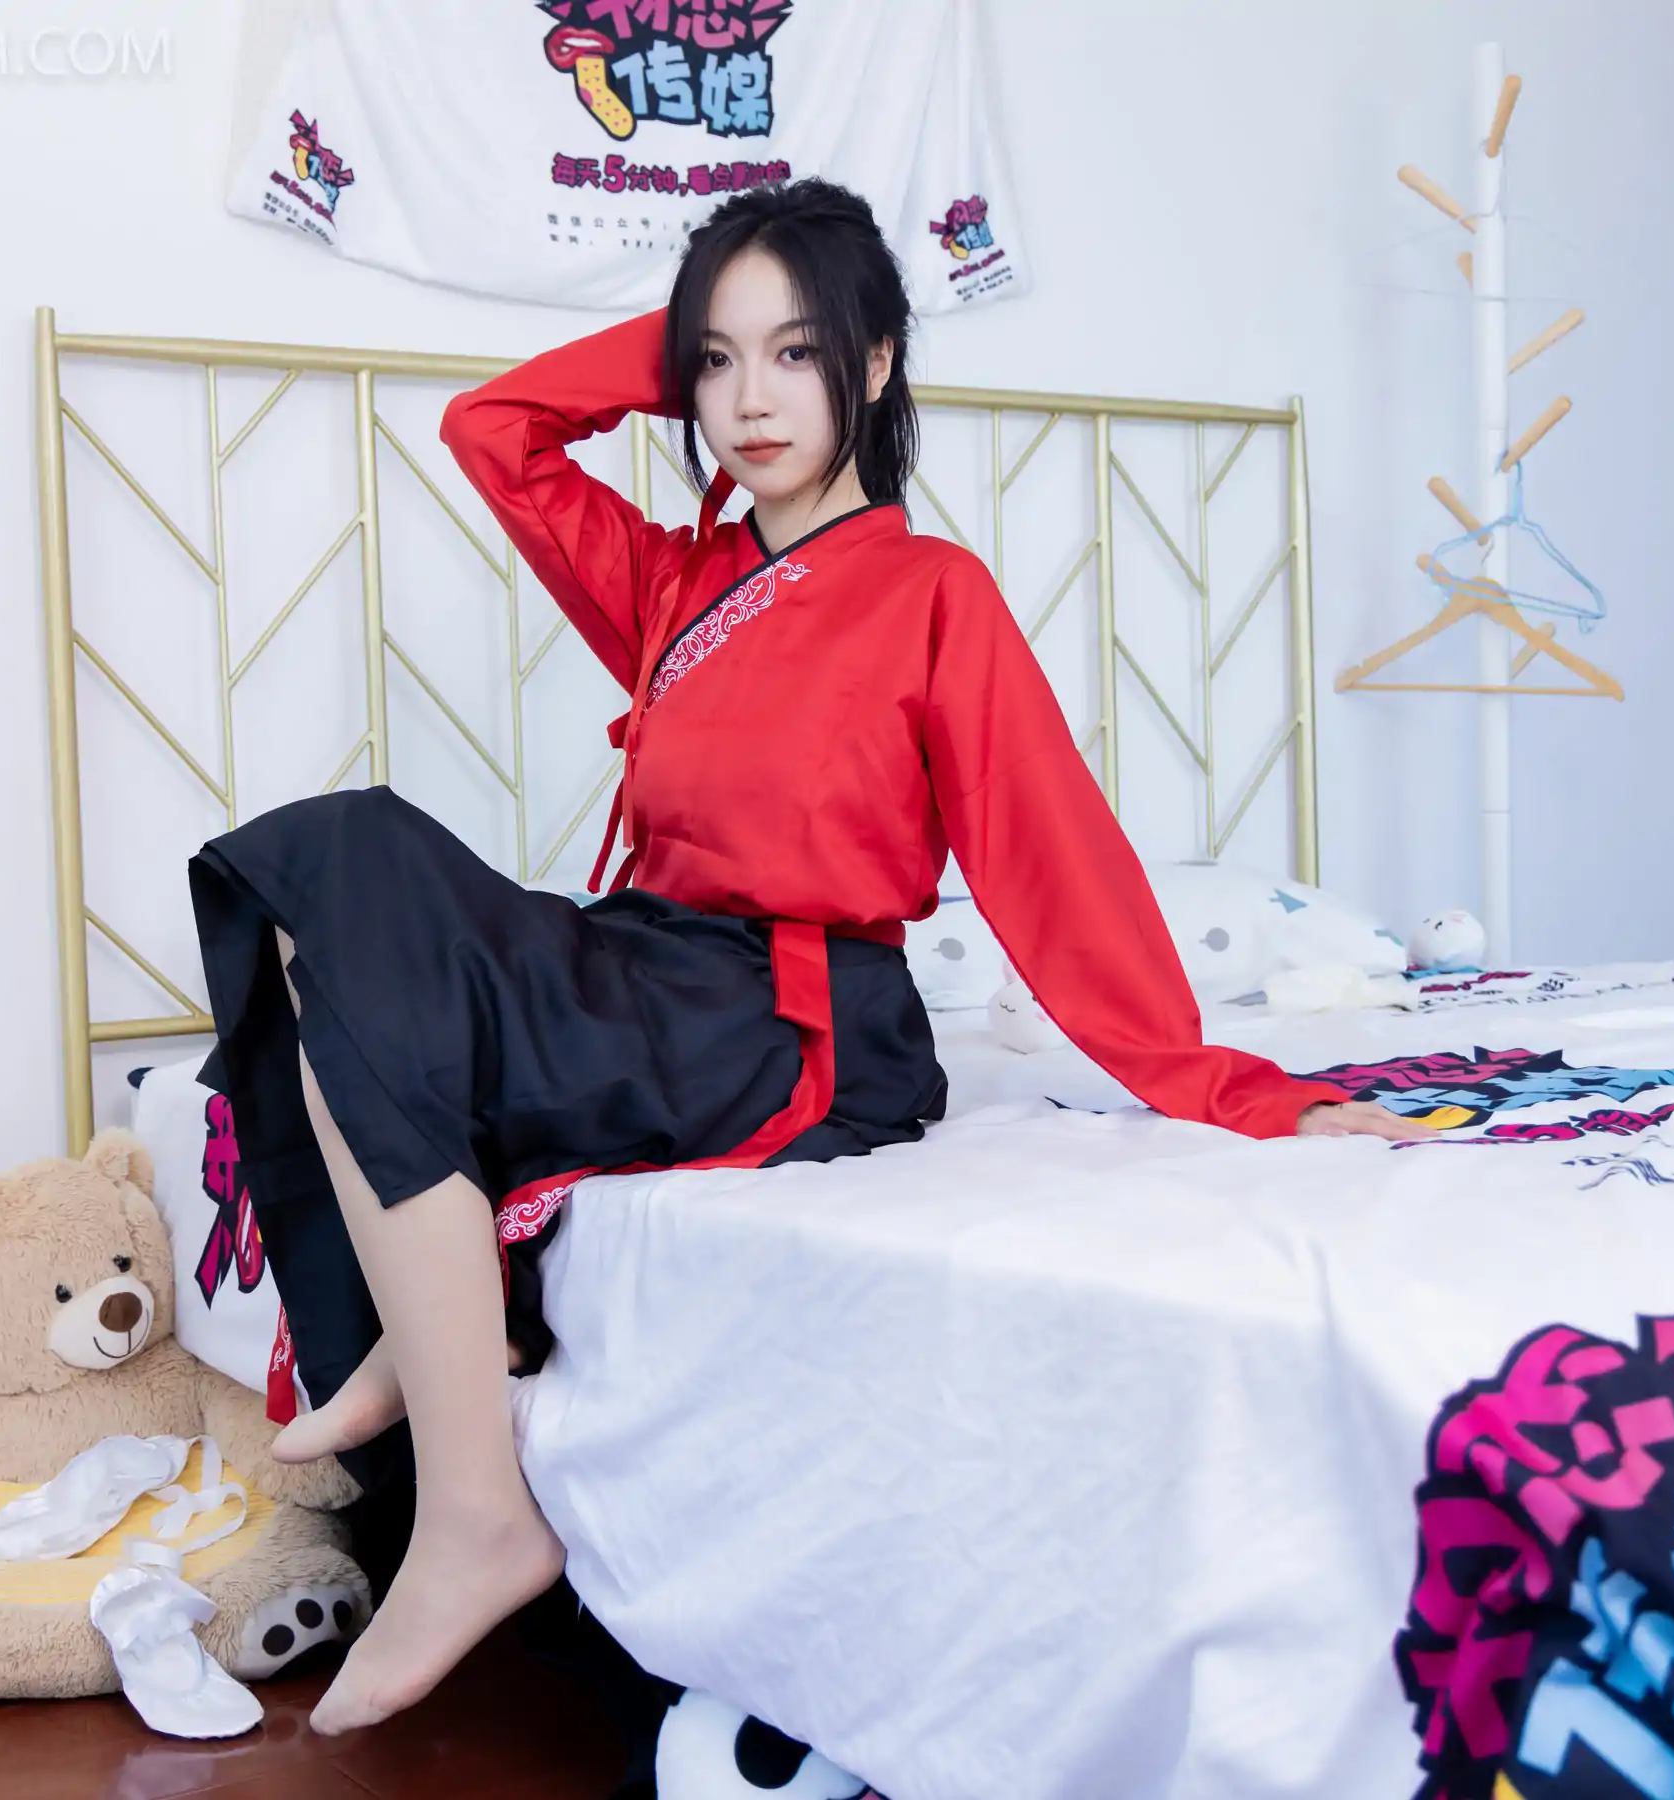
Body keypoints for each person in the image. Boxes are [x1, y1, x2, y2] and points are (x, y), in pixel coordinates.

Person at [188, 177, 1430, 1735]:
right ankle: (442, 1332)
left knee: (368, 914)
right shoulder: (677, 586)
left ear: (878, 362)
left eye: (795, 353)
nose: (749, 401)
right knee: (342, 874)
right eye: (715, 363)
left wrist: (1226, 1085)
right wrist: (677, 341)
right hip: (650, 968)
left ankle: (471, 1501)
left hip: (798, 1019)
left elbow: (1048, 854)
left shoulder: (930, 592)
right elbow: (493, 431)